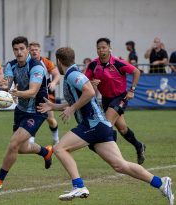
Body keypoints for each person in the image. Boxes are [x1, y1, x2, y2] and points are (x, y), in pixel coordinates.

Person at [37, 47, 174, 204]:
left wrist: (72, 109)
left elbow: (89, 93)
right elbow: (79, 98)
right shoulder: (74, 73)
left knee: (60, 148)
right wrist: (53, 106)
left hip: (93, 123)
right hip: (100, 125)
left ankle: (78, 185)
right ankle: (161, 183)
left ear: (59, 61)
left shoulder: (73, 74)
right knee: (120, 165)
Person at [0, 36, 53, 190]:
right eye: (16, 49)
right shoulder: (11, 65)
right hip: (21, 110)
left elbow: (32, 92)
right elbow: (7, 84)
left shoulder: (37, 66)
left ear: (27, 50)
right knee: (22, 148)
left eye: (22, 49)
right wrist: (3, 87)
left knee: (13, 144)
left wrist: (14, 93)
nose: (19, 52)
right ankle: (46, 152)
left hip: (37, 111)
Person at [85, 38, 146, 165]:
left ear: (109, 48)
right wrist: (90, 83)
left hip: (120, 98)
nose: (101, 50)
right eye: (99, 48)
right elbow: (84, 82)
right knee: (123, 129)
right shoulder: (93, 65)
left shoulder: (118, 63)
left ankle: (116, 159)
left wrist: (132, 90)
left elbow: (136, 71)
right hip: (106, 100)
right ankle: (139, 146)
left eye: (104, 47)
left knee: (107, 125)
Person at [29, 41, 60, 145]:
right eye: (32, 50)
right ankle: (31, 138)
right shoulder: (26, 62)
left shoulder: (46, 62)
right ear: (29, 51)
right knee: (31, 115)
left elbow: (57, 75)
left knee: (50, 119)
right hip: (31, 93)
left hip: (45, 94)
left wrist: (54, 82)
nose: (34, 52)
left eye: (36, 50)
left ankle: (56, 138)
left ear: (40, 51)